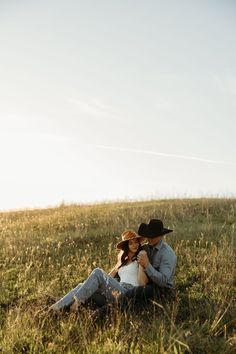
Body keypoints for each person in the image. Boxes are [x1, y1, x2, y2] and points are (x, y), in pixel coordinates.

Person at [49, 230, 148, 312]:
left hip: (128, 293)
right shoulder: (122, 262)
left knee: (97, 272)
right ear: (126, 246)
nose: (135, 245)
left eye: (136, 242)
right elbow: (107, 278)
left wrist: (141, 261)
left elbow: (142, 283)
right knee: (81, 286)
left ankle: (77, 303)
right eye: (131, 243)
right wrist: (117, 265)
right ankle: (54, 309)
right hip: (117, 289)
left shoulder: (140, 258)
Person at [120, 219, 177, 307]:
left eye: (152, 236)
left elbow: (163, 282)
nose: (149, 238)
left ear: (160, 236)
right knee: (134, 301)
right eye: (148, 235)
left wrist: (147, 265)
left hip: (162, 290)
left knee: (136, 292)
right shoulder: (146, 247)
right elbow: (130, 254)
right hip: (148, 285)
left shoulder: (167, 254)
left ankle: (104, 310)